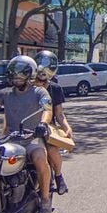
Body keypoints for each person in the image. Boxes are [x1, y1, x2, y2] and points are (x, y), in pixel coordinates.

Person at [0, 55, 61, 213]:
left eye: (20, 74)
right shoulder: (5, 93)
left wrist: (43, 124)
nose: (16, 77)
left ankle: (45, 199)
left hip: (31, 137)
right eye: (13, 73)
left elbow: (47, 109)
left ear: (30, 74)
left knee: (40, 158)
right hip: (9, 139)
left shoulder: (39, 91)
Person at [33, 50, 73, 195]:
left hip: (47, 127)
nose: (40, 84)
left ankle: (58, 176)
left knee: (51, 149)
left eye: (44, 82)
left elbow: (59, 114)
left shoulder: (55, 89)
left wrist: (67, 128)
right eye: (38, 81)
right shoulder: (25, 87)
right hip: (26, 127)